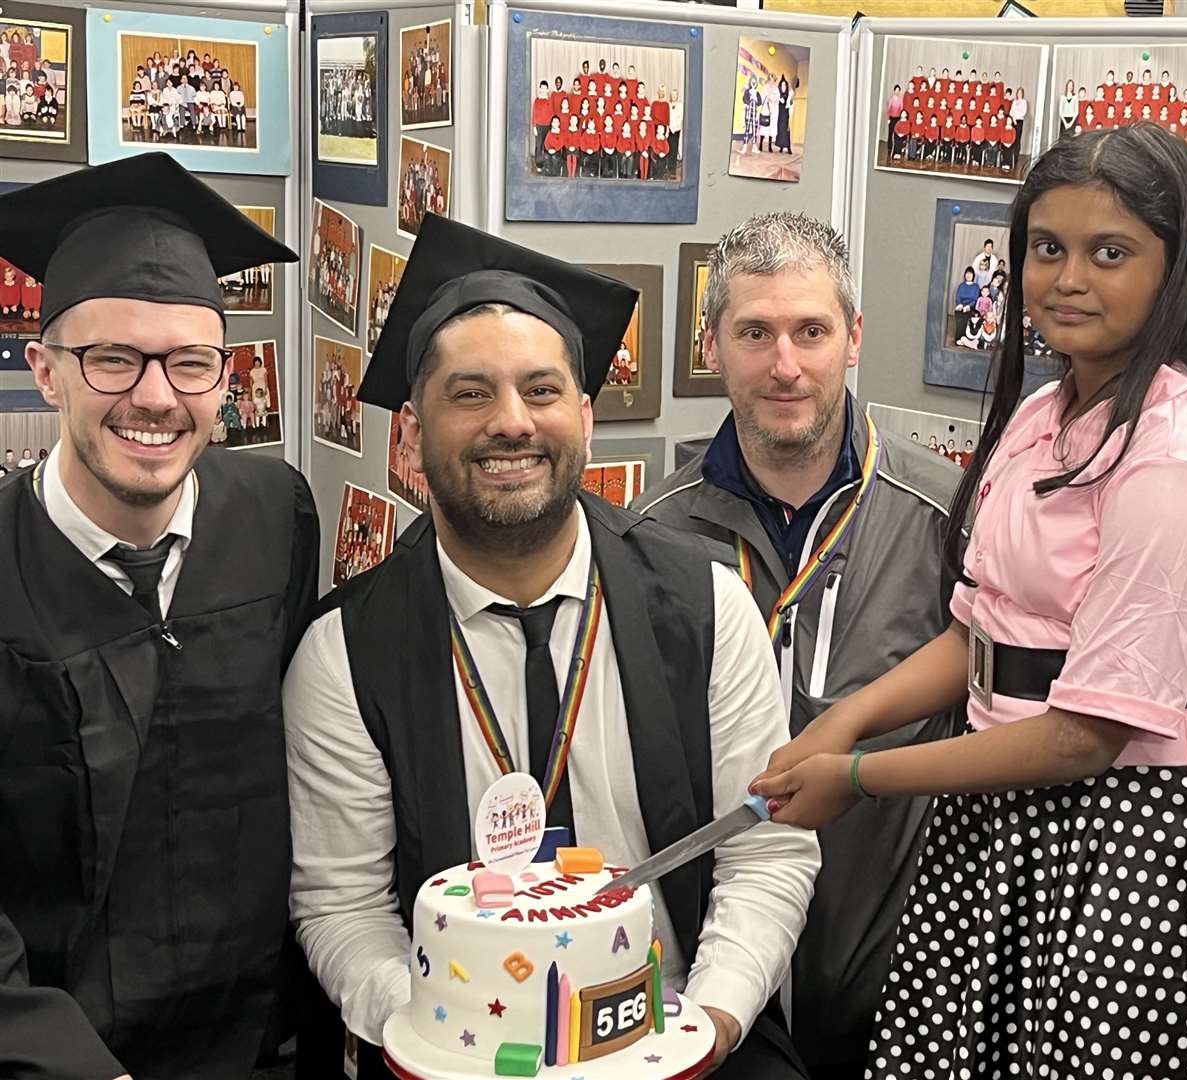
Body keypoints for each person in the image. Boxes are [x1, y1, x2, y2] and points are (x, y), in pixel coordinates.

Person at [752, 125, 1187, 1080]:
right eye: (1047, 248)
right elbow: (981, 626)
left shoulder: (1176, 462)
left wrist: (862, 775)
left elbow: (1083, 735)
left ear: (1184, 268)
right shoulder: (1050, 412)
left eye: (1110, 252)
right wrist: (847, 719)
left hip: (1135, 828)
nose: (1068, 278)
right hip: (1009, 807)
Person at [284, 214, 820, 1080]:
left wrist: (707, 1027)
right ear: (412, 435)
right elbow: (342, 906)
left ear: (583, 416)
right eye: (469, 394)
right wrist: (444, 1039)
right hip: (450, 1049)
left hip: (677, 1026)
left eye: (540, 391)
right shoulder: (343, 652)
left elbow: (766, 853)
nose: (510, 422)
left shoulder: (708, 608)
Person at [0, 153, 316, 1079]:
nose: (154, 395)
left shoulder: (275, 512)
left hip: (268, 1036)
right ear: (46, 372)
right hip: (62, 1055)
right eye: (111, 358)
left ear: (224, 378)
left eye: (190, 362)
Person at [633, 212, 961, 1080]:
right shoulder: (648, 543)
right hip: (712, 984)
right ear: (712, 345)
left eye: (810, 331)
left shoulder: (946, 517)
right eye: (754, 333)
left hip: (899, 979)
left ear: (853, 337)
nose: (785, 366)